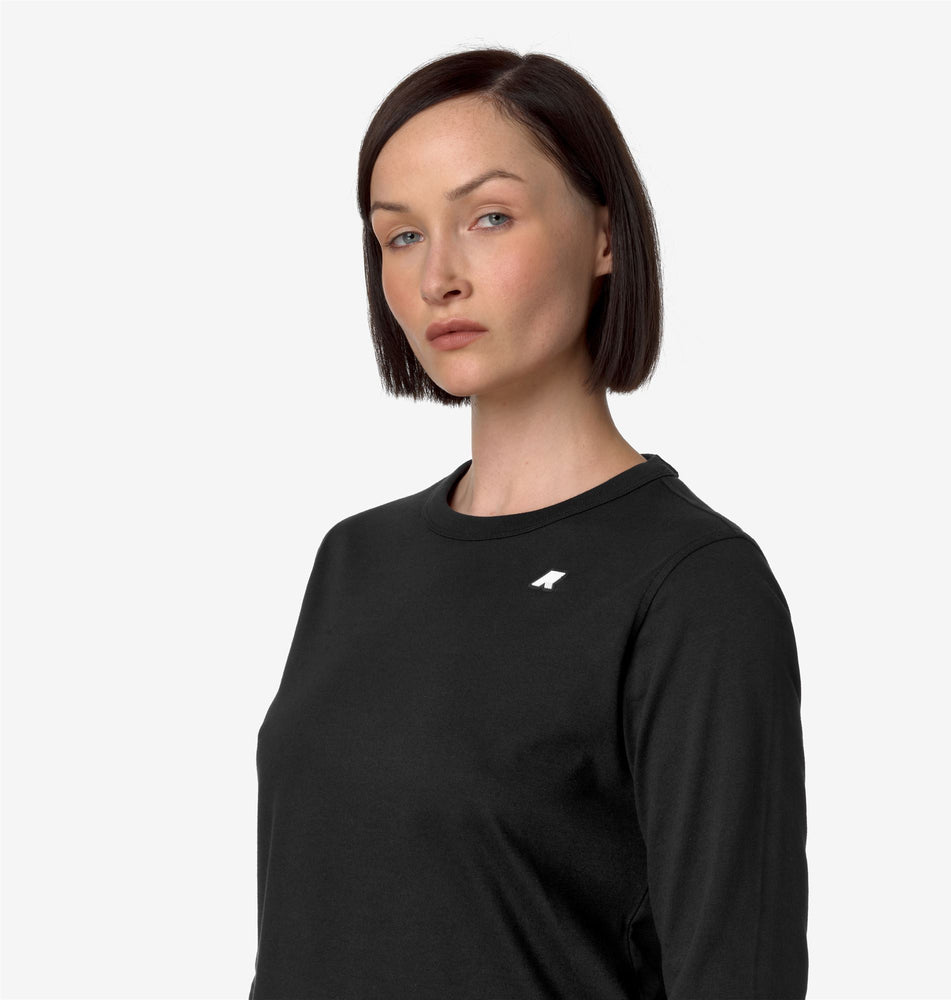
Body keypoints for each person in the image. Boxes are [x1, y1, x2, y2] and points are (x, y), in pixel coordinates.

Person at [248, 47, 808, 1000]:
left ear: (605, 235)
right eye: (401, 236)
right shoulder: (356, 558)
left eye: (490, 218)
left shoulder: (693, 585)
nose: (439, 277)